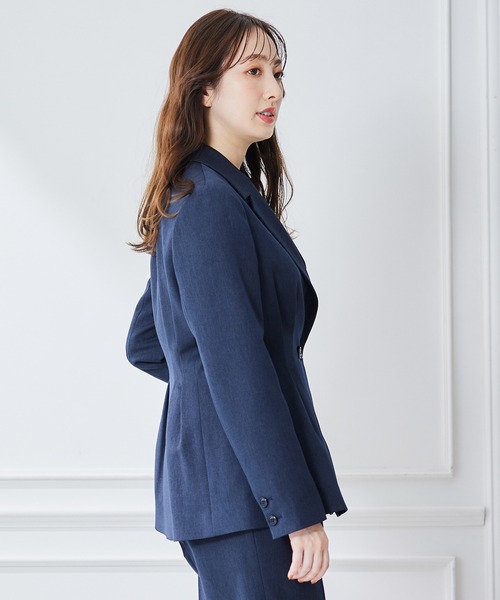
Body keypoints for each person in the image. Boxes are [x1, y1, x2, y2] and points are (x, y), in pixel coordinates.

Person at [126, 8, 347, 599]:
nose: (273, 89)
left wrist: (208, 391)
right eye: (253, 71)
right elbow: (236, 365)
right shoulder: (206, 202)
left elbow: (148, 341)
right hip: (247, 501)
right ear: (203, 89)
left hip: (230, 497)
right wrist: (294, 509)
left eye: (277, 73)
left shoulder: (208, 192)